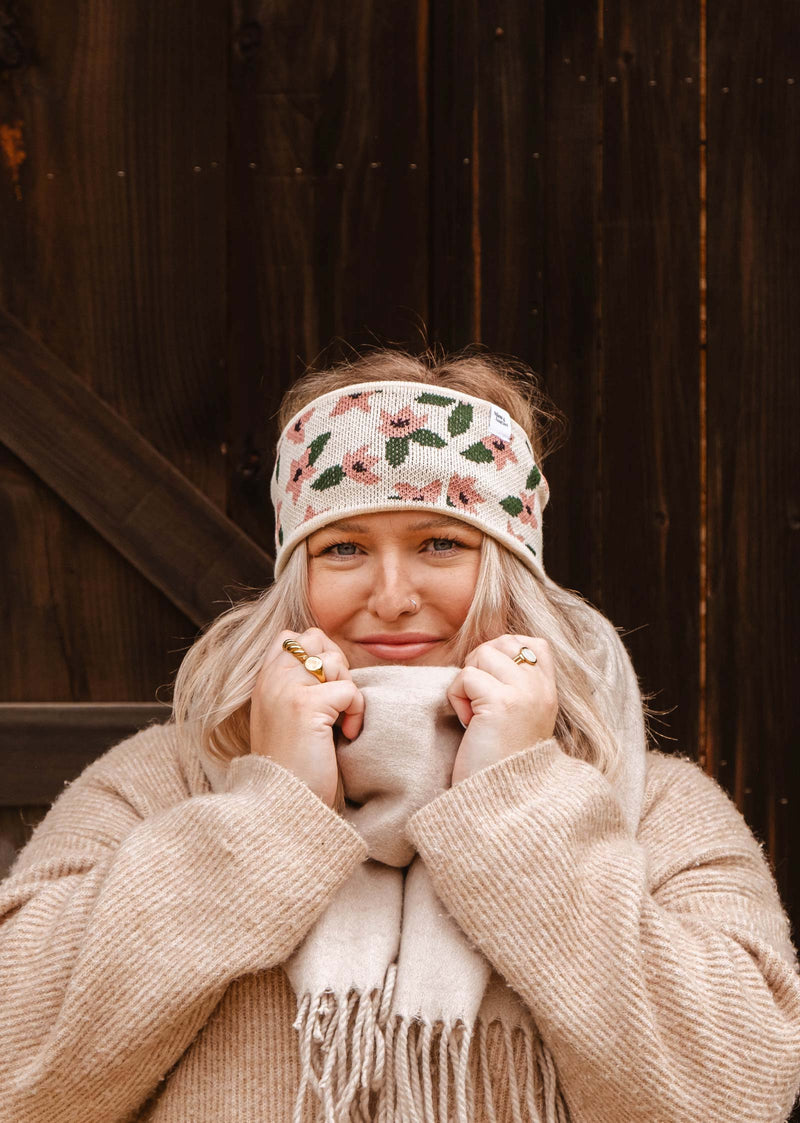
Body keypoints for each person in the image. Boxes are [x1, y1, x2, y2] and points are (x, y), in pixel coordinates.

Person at [1, 348, 799, 1123]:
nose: (390, 596)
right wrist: (265, 817)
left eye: (439, 544)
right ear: (296, 578)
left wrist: (517, 806)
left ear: (509, 567)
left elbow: (734, 1097)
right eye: (344, 548)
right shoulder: (160, 784)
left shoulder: (655, 806)